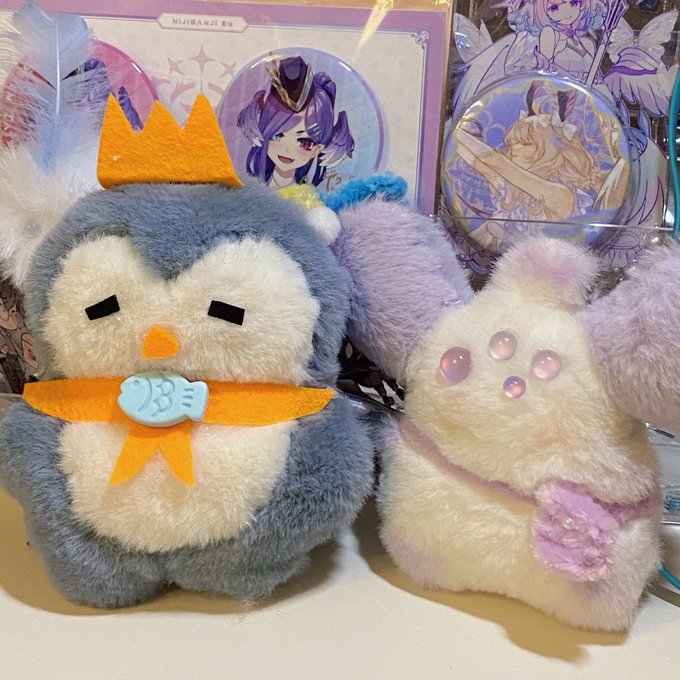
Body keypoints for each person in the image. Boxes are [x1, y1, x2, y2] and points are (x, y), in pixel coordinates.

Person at [237, 55, 354, 189]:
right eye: (277, 136)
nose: (287, 149)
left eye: (305, 142)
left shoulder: (308, 198)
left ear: (318, 149)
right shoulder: (250, 190)